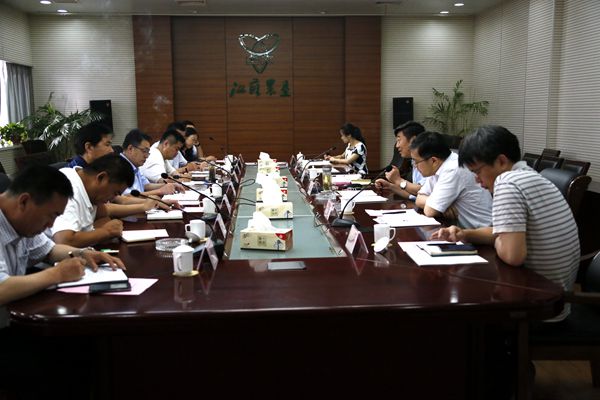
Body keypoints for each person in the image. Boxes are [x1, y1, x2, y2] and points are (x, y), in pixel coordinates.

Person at [432, 125, 579, 321]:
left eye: (477, 171)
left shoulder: (507, 183)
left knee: (450, 313)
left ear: (501, 161)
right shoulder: (529, 175)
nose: (477, 180)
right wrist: (464, 234)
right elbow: (505, 233)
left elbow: (512, 255)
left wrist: (500, 239)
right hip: (554, 299)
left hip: (536, 309)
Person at [0, 165, 124, 309]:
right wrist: (57, 274)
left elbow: (49, 250)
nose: (51, 224)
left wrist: (82, 253)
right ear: (24, 201)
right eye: (51, 215)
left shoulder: (23, 222)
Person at [51, 153, 138, 247]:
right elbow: (64, 241)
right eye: (115, 193)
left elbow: (104, 215)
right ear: (101, 177)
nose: (113, 198)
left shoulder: (88, 189)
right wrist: (106, 231)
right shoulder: (68, 189)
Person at [410, 131, 492, 229]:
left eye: (416, 161)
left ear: (433, 161)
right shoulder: (438, 166)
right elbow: (419, 198)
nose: (415, 166)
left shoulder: (453, 168)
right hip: (462, 230)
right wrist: (441, 204)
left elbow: (430, 211)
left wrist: (436, 205)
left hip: (482, 232)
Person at [120, 129, 186, 197]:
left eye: (147, 152)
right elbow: (125, 197)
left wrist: (169, 185)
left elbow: (146, 185)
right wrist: (160, 191)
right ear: (130, 149)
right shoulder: (119, 166)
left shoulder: (134, 165)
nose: (146, 156)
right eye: (144, 151)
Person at [375, 121, 426, 200]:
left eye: (399, 140)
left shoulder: (428, 160)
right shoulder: (414, 161)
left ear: (413, 140)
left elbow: (424, 191)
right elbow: (415, 195)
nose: (397, 145)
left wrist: (398, 180)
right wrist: (390, 186)